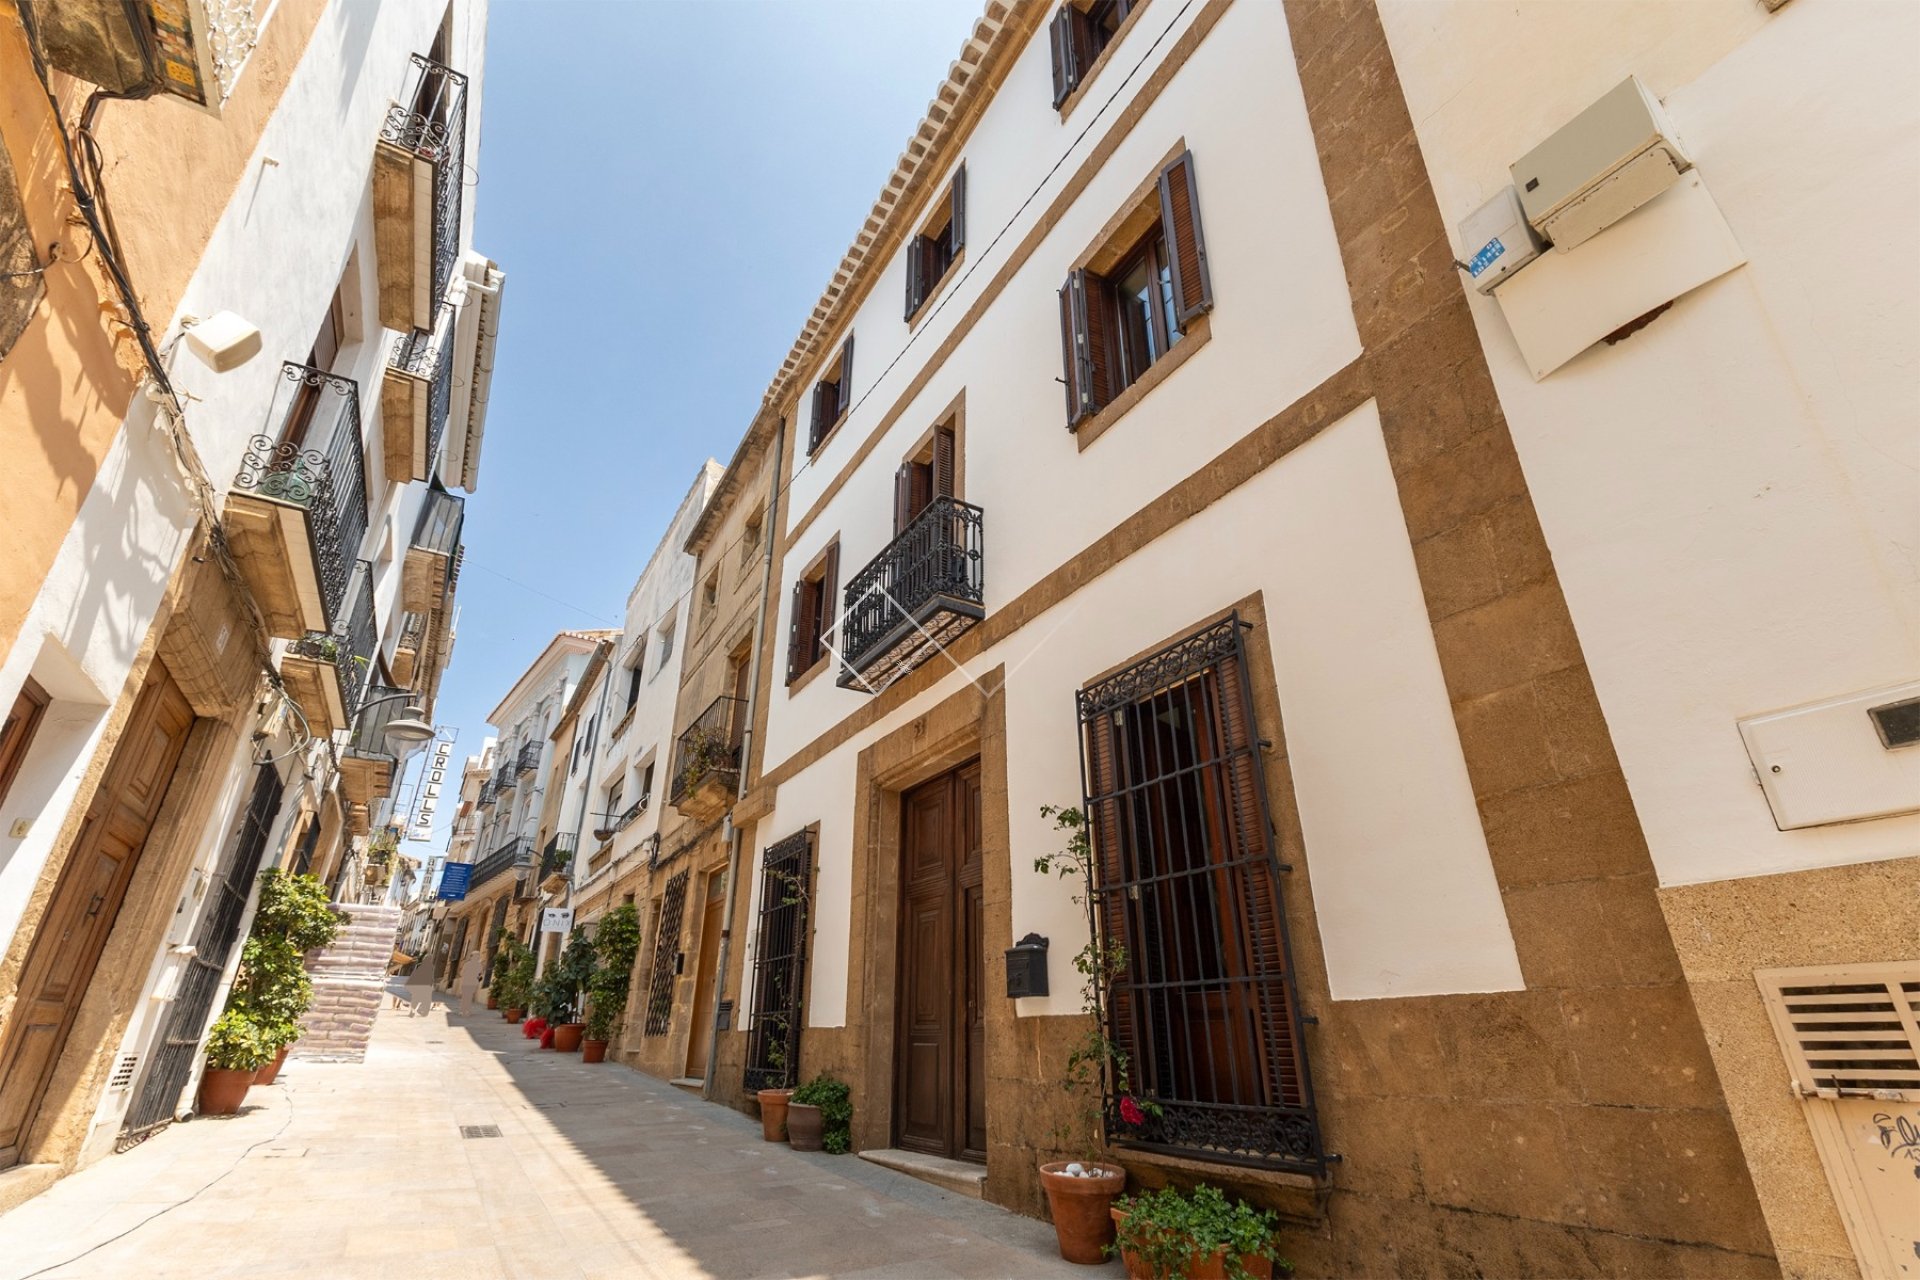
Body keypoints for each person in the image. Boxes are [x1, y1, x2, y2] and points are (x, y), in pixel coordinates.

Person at [458, 947, 484, 1016]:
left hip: (466, 983)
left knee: (465, 997)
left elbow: (461, 973)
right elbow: (480, 975)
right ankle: (467, 1010)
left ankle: (463, 1010)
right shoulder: (479, 965)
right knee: (469, 997)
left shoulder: (467, 964)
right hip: (472, 983)